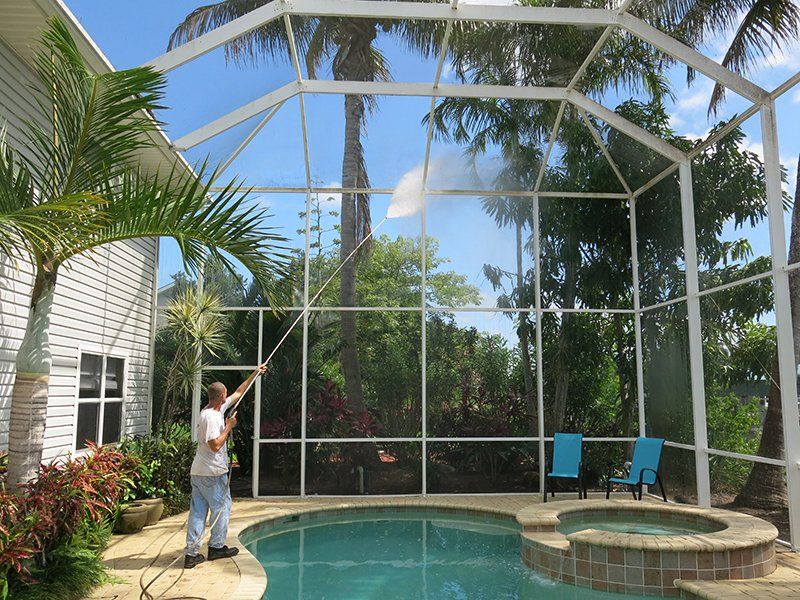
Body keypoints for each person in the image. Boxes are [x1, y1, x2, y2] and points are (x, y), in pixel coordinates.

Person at [184, 365, 266, 569]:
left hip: (199, 472)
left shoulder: (214, 408)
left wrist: (256, 373)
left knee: (197, 512)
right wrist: (229, 426)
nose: (228, 395)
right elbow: (214, 446)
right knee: (222, 509)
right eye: (225, 393)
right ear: (221, 395)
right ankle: (216, 547)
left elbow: (239, 392)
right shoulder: (211, 418)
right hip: (212, 473)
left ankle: (191, 554)